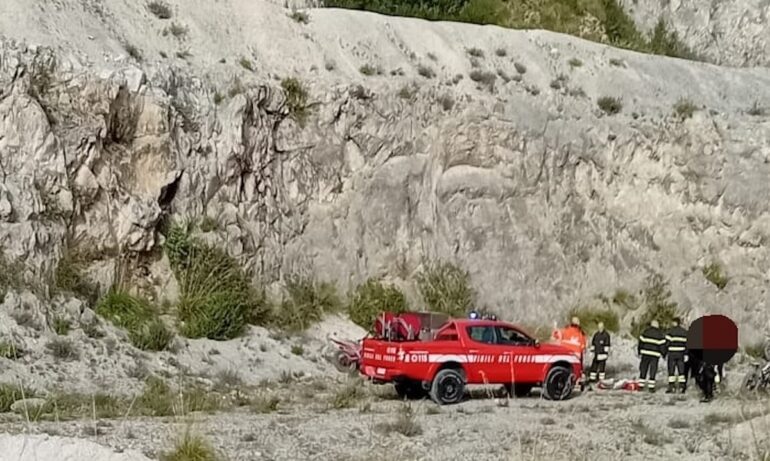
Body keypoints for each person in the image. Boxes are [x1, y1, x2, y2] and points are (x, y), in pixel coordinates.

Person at [637, 319, 666, 393]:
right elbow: (662, 346)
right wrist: (664, 354)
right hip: (654, 355)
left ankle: (641, 386)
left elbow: (641, 343)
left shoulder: (645, 332)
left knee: (643, 369)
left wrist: (639, 351)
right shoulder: (660, 334)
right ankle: (651, 387)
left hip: (645, 353)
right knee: (653, 370)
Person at [665, 317, 688, 393]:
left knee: (671, 371)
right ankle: (682, 387)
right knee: (681, 371)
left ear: (674, 323)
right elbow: (687, 344)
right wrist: (686, 354)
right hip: (681, 354)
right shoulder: (684, 332)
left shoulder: (670, 332)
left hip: (672, 354)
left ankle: (671, 387)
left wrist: (665, 353)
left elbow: (666, 343)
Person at [588, 321, 611, 388]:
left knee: (602, 369)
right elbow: (593, 344)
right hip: (596, 354)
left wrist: (605, 354)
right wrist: (591, 352)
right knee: (593, 368)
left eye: (601, 327)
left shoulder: (606, 335)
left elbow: (607, 345)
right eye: (599, 327)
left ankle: (601, 381)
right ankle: (592, 379)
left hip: (602, 355)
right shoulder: (596, 335)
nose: (600, 328)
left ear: (603, 327)